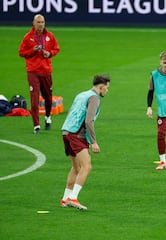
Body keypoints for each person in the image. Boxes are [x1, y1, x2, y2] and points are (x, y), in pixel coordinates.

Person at [60, 75, 110, 210]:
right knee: (86, 167)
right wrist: (93, 142)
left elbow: (71, 112)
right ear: (102, 86)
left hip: (66, 132)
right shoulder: (94, 98)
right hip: (77, 134)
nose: (107, 90)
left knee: (76, 168)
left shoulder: (81, 94)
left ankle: (65, 199)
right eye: (107, 87)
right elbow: (89, 121)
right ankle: (73, 198)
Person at [19, 14, 60, 134]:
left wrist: (50, 53)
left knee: (48, 97)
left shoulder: (50, 36)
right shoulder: (28, 37)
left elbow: (56, 48)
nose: (41, 24)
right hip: (33, 71)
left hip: (46, 71)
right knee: (34, 99)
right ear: (33, 23)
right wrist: (33, 51)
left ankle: (48, 117)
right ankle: (36, 125)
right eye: (38, 22)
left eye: (42, 22)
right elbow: (21, 52)